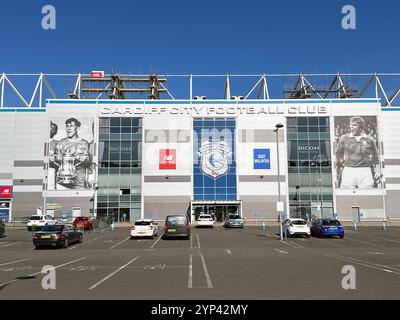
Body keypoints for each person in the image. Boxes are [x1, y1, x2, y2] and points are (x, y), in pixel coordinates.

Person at [335, 116, 380, 189]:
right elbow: (337, 153)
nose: (351, 127)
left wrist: (377, 170)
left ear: (360, 128)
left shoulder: (370, 140)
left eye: (354, 125)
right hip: (349, 170)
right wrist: (338, 167)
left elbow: (376, 156)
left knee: (367, 194)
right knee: (346, 195)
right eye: (351, 125)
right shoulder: (344, 138)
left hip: (365, 171)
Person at [53, 118, 91, 189]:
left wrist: (81, 158)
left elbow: (88, 162)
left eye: (71, 125)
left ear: (78, 128)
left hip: (79, 183)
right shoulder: (61, 143)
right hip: (61, 183)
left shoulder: (84, 143)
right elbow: (56, 160)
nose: (69, 128)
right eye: (67, 126)